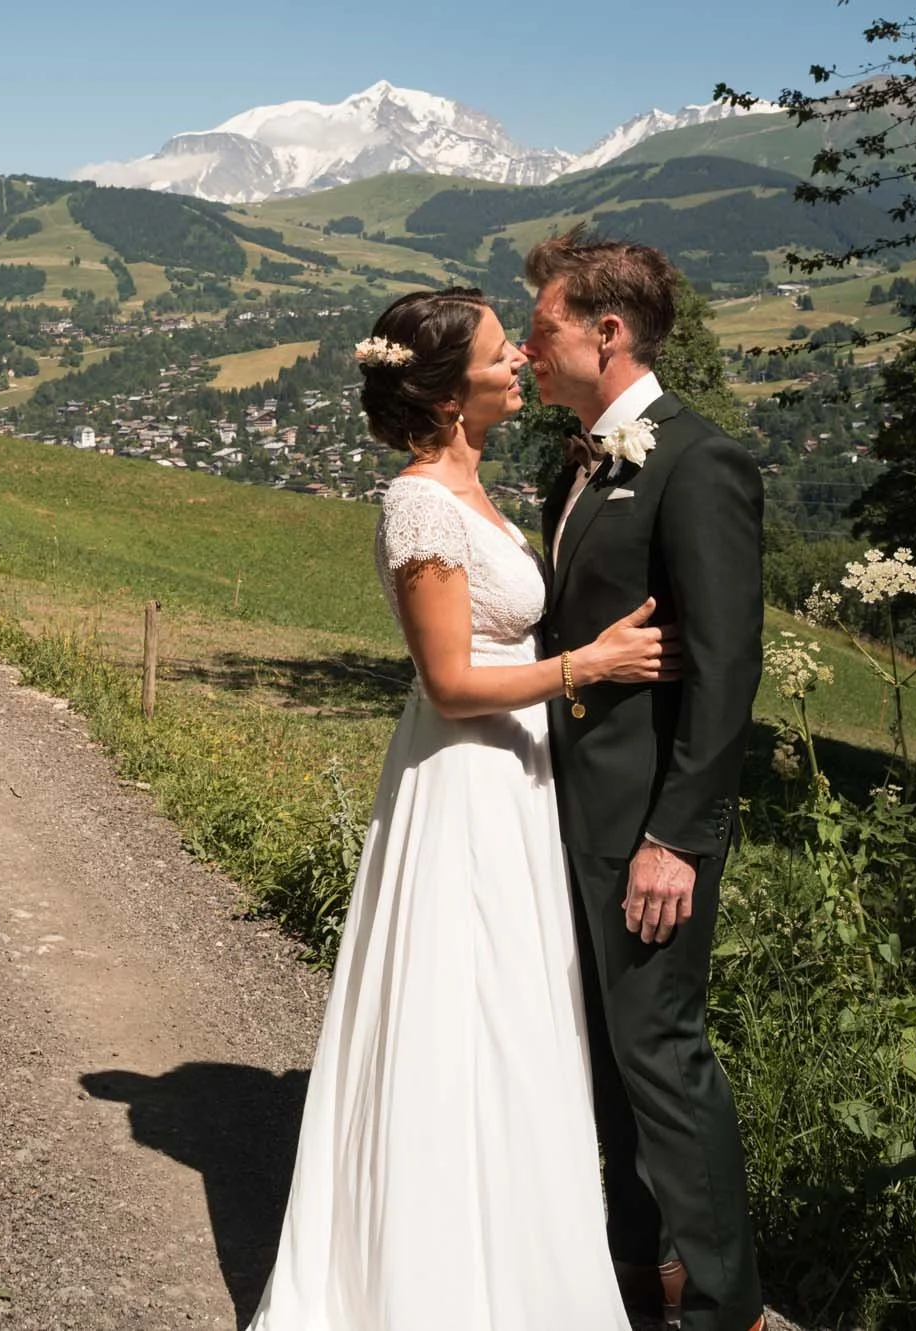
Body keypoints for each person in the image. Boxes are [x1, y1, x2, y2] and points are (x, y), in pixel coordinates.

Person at [248, 287, 679, 1330]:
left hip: (513, 780)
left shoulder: (474, 487)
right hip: (465, 779)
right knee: (462, 1013)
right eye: (498, 354)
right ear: (448, 397)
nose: (520, 359)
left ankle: (521, 1259)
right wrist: (589, 664)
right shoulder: (420, 505)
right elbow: (448, 682)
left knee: (515, 1019)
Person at [526, 228, 765, 1331]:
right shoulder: (573, 460)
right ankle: (636, 1271)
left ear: (607, 332)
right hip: (570, 811)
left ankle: (724, 1304)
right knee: (606, 1055)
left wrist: (677, 837)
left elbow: (723, 670)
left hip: (650, 829)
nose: (528, 348)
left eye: (543, 327)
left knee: (660, 1053)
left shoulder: (696, 462)